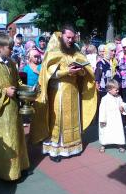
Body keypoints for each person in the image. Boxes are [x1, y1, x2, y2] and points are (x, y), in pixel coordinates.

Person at [30, 25, 97, 162]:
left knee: (73, 118)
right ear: (62, 36)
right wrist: (67, 71)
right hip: (58, 92)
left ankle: (72, 147)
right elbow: (48, 73)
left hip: (73, 90)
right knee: (58, 121)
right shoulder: (53, 51)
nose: (71, 40)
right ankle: (55, 150)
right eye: (68, 37)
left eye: (73, 38)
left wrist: (81, 70)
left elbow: (86, 69)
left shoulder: (76, 51)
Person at [0, 32, 29, 180]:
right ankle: (8, 174)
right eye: (10, 47)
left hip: (13, 107)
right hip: (1, 112)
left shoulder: (11, 62)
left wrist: (27, 89)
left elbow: (17, 82)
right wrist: (4, 91)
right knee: (7, 140)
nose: (12, 50)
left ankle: (20, 167)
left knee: (17, 137)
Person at [99, 79, 126, 153]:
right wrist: (102, 120)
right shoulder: (104, 99)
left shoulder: (118, 97)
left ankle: (120, 144)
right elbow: (102, 110)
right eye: (116, 90)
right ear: (109, 90)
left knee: (118, 131)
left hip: (117, 119)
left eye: (118, 90)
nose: (117, 91)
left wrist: (122, 107)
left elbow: (122, 104)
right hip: (107, 119)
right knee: (105, 131)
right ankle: (103, 144)